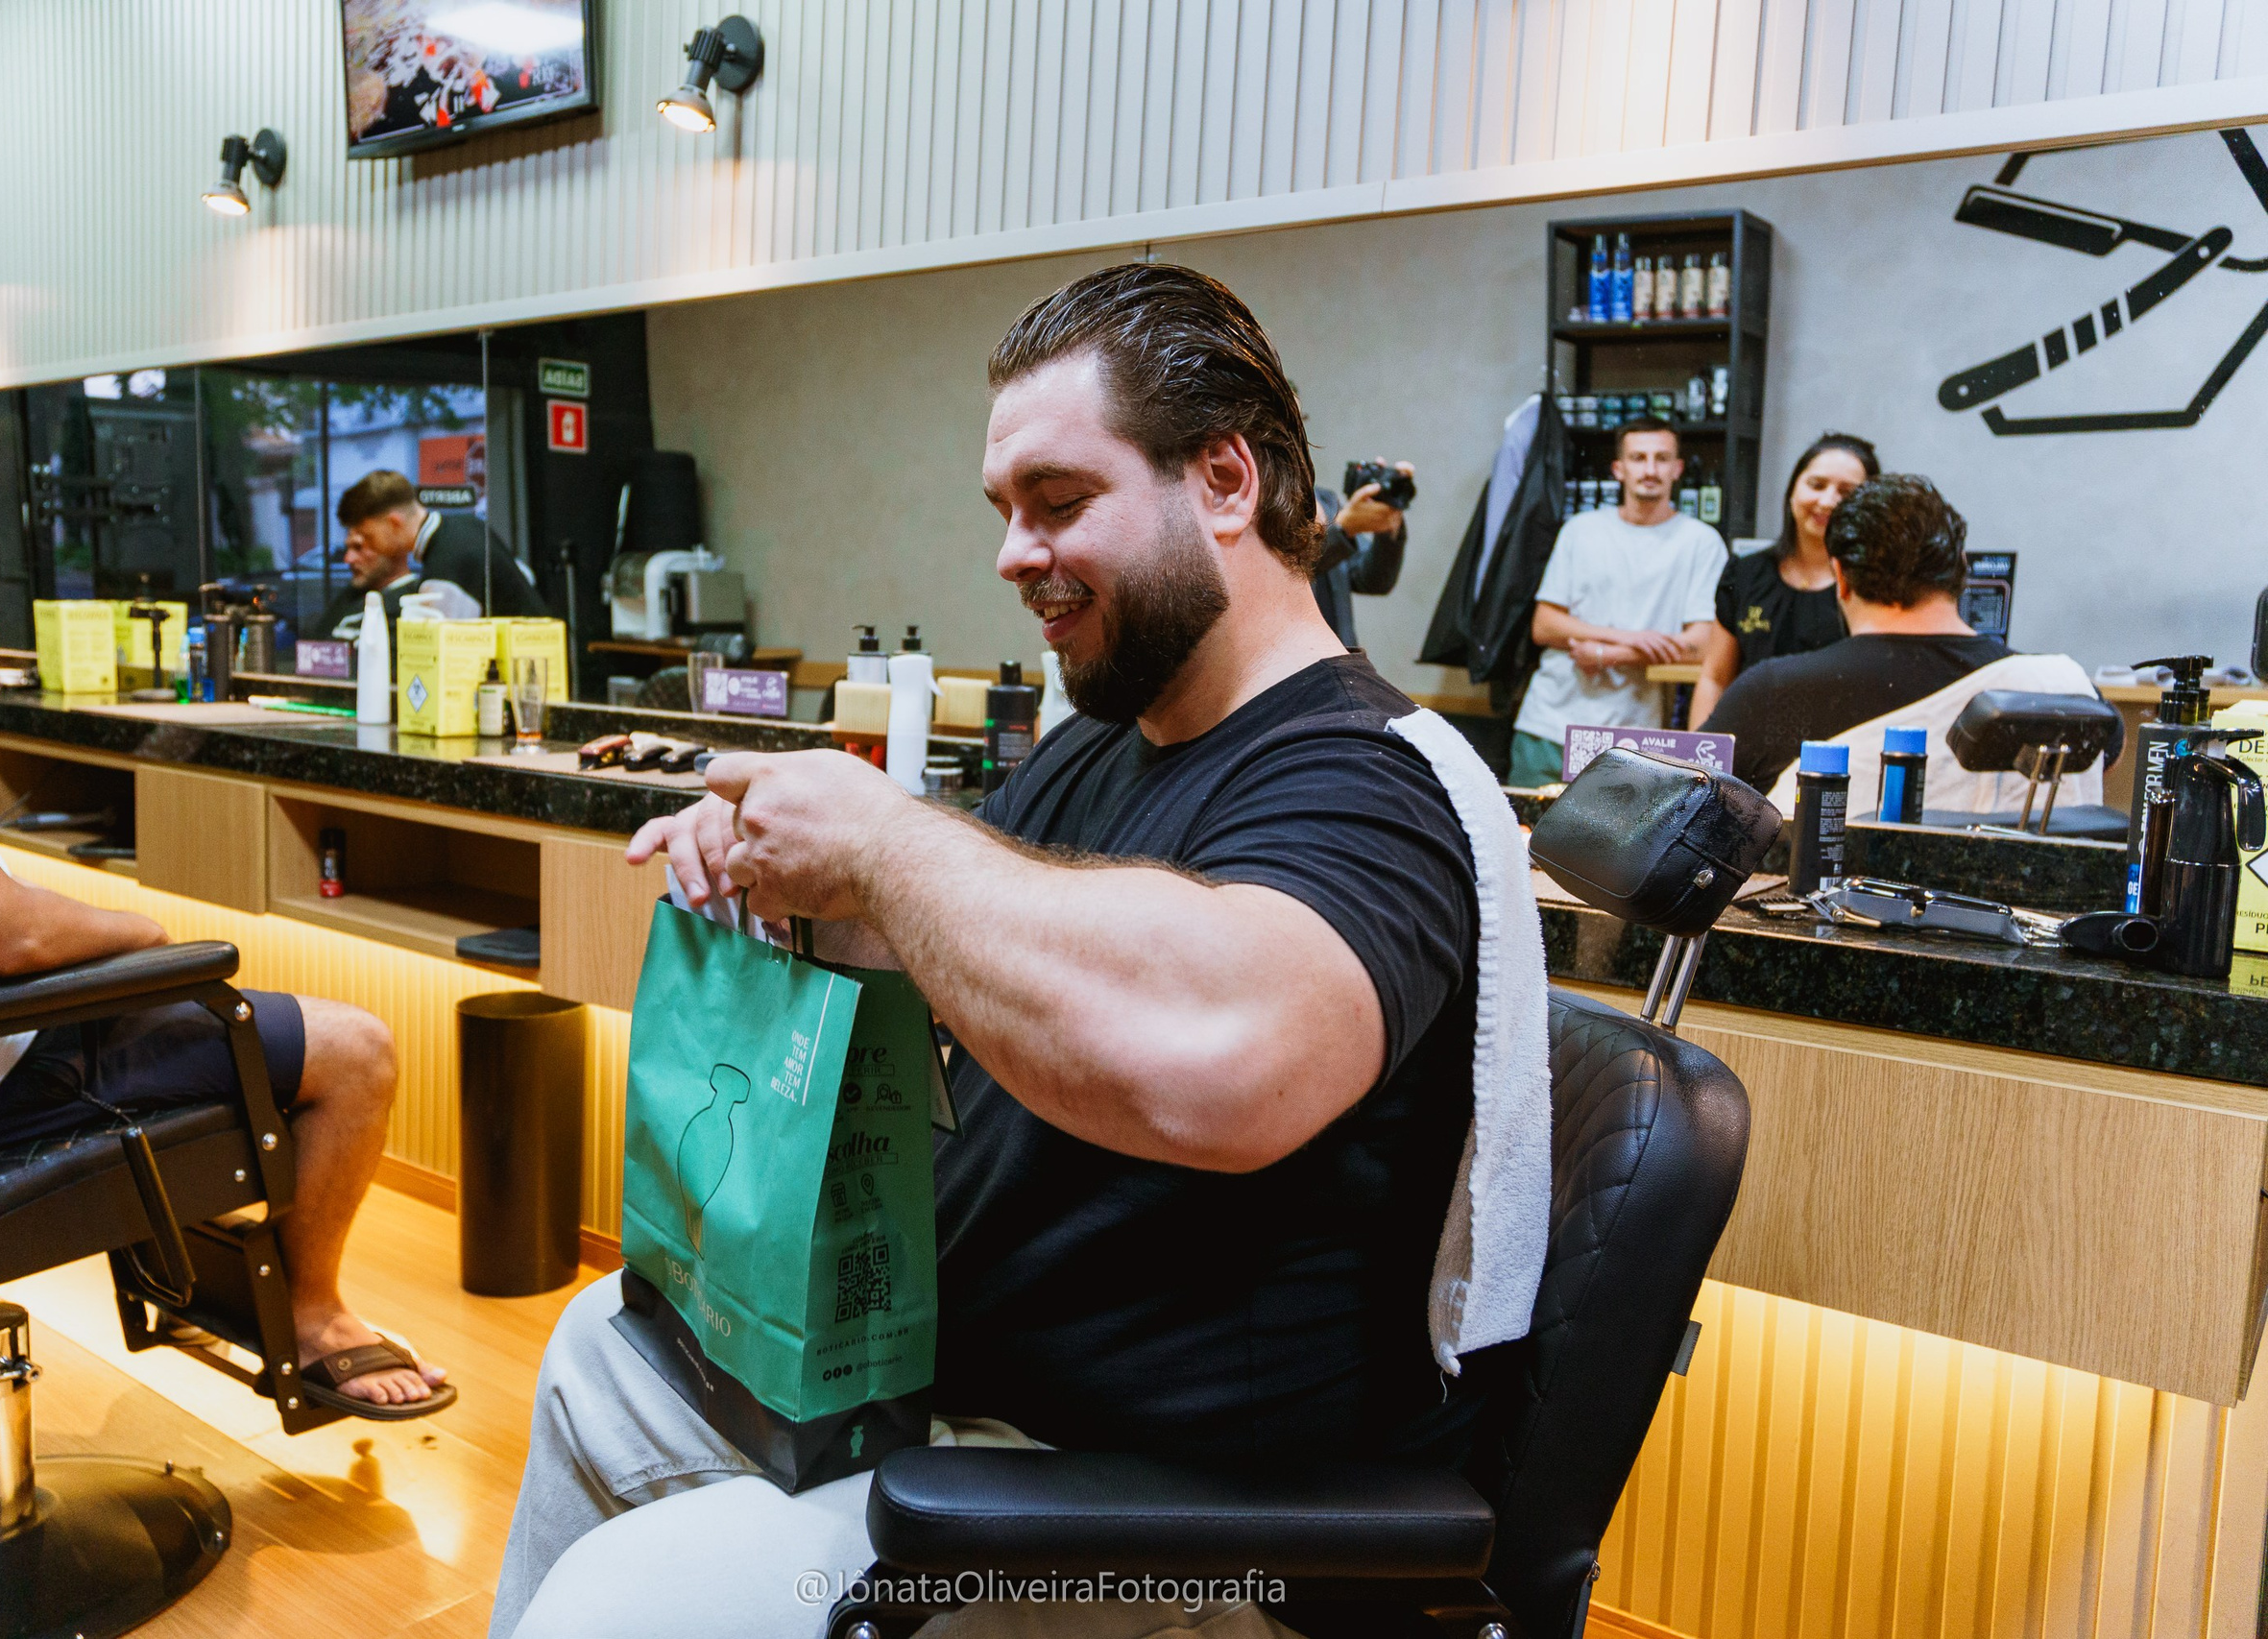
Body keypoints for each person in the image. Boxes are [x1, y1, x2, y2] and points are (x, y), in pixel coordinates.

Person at [489, 264, 1551, 1639]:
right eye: (1003, 510)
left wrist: (885, 836)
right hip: (954, 1402)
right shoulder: (1103, 747)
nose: (1011, 552)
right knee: (597, 1349)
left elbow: (1224, 1059)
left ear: (1224, 480)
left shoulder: (1369, 779)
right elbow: (977, 939)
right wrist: (797, 882)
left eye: (1058, 502)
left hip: (1148, 1518)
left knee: (627, 1605)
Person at [0, 485, 450, 1420]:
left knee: (178, 1024)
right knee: (354, 1050)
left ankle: (194, 1261)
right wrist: (145, 937)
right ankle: (314, 1315)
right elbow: (10, 934)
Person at [1702, 474, 2053, 800]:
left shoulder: (1772, 694)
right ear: (1961, 567)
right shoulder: (2051, 690)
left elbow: (1686, 800)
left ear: (1840, 577)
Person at [1507, 420, 1727, 787]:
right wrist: (1627, 637)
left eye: (1662, 458)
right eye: (1638, 458)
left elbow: (1704, 643)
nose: (1650, 469)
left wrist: (1608, 655)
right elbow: (1544, 624)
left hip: (1636, 739)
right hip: (1550, 723)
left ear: (1678, 468)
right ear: (1619, 469)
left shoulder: (1701, 542)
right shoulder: (1581, 529)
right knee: (1527, 838)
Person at [1688, 433, 1879, 726]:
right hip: (1749, 749)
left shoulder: (1875, 584)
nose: (1828, 501)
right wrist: (1700, 764)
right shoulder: (1745, 573)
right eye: (1816, 485)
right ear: (1792, 490)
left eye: (1846, 491)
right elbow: (1715, 679)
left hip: (1839, 756)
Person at [309, 470, 549, 639]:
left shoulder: (446, 566)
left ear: (394, 523)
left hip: (527, 677)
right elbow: (525, 576)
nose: (364, 547)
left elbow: (443, 658)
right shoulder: (468, 526)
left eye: (367, 537)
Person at [1310, 462, 1413, 647]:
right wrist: (1343, 529)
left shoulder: (1326, 500)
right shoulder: (1255, 507)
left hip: (1338, 658)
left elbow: (1373, 580)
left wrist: (1388, 522)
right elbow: (1282, 575)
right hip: (1290, 665)